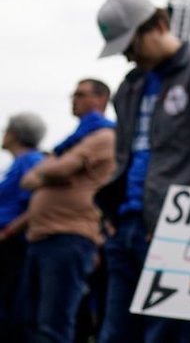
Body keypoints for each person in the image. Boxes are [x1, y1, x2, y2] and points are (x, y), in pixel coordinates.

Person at [93, 0, 190, 343]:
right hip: (126, 225)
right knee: (115, 332)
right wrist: (111, 210)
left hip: (179, 229)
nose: (128, 55)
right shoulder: (129, 88)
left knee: (171, 332)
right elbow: (125, 153)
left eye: (131, 44)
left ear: (160, 26)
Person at [19, 80, 117, 343]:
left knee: (54, 322)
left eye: (81, 95)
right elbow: (31, 178)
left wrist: (50, 172)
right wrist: (52, 173)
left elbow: (56, 170)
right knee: (29, 319)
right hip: (42, 237)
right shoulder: (72, 141)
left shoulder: (105, 137)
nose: (74, 99)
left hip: (70, 236)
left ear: (101, 99)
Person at [0, 111, 47, 340]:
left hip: (14, 242)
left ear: (15, 134)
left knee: (13, 305)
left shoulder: (31, 161)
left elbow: (36, 204)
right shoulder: (18, 163)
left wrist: (9, 231)